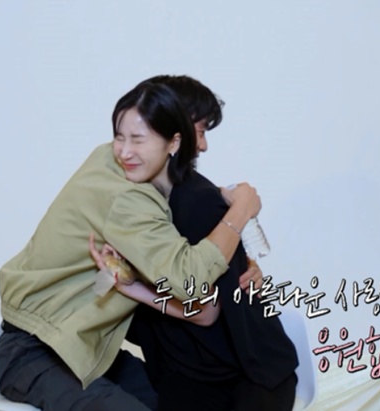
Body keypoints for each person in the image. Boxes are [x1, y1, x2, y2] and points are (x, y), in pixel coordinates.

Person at [0, 79, 262, 411]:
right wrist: (241, 210)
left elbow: (175, 217)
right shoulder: (129, 197)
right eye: (121, 137)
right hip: (36, 351)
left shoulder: (109, 161)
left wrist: (241, 261)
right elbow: (190, 280)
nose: (124, 150)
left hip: (80, 349)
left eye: (137, 138)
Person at [90, 75, 299, 411]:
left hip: (245, 376)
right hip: (192, 371)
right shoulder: (135, 201)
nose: (203, 146)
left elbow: (208, 308)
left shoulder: (198, 201)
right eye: (200, 131)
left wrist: (134, 287)